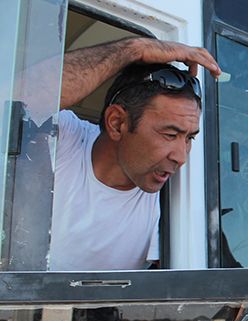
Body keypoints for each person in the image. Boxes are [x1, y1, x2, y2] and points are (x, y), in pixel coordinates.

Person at [49, 37, 221, 270]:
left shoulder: (176, 197)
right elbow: (15, 97)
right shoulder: (66, 140)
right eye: (170, 135)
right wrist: (134, 49)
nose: (181, 157)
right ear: (117, 123)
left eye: (189, 138)